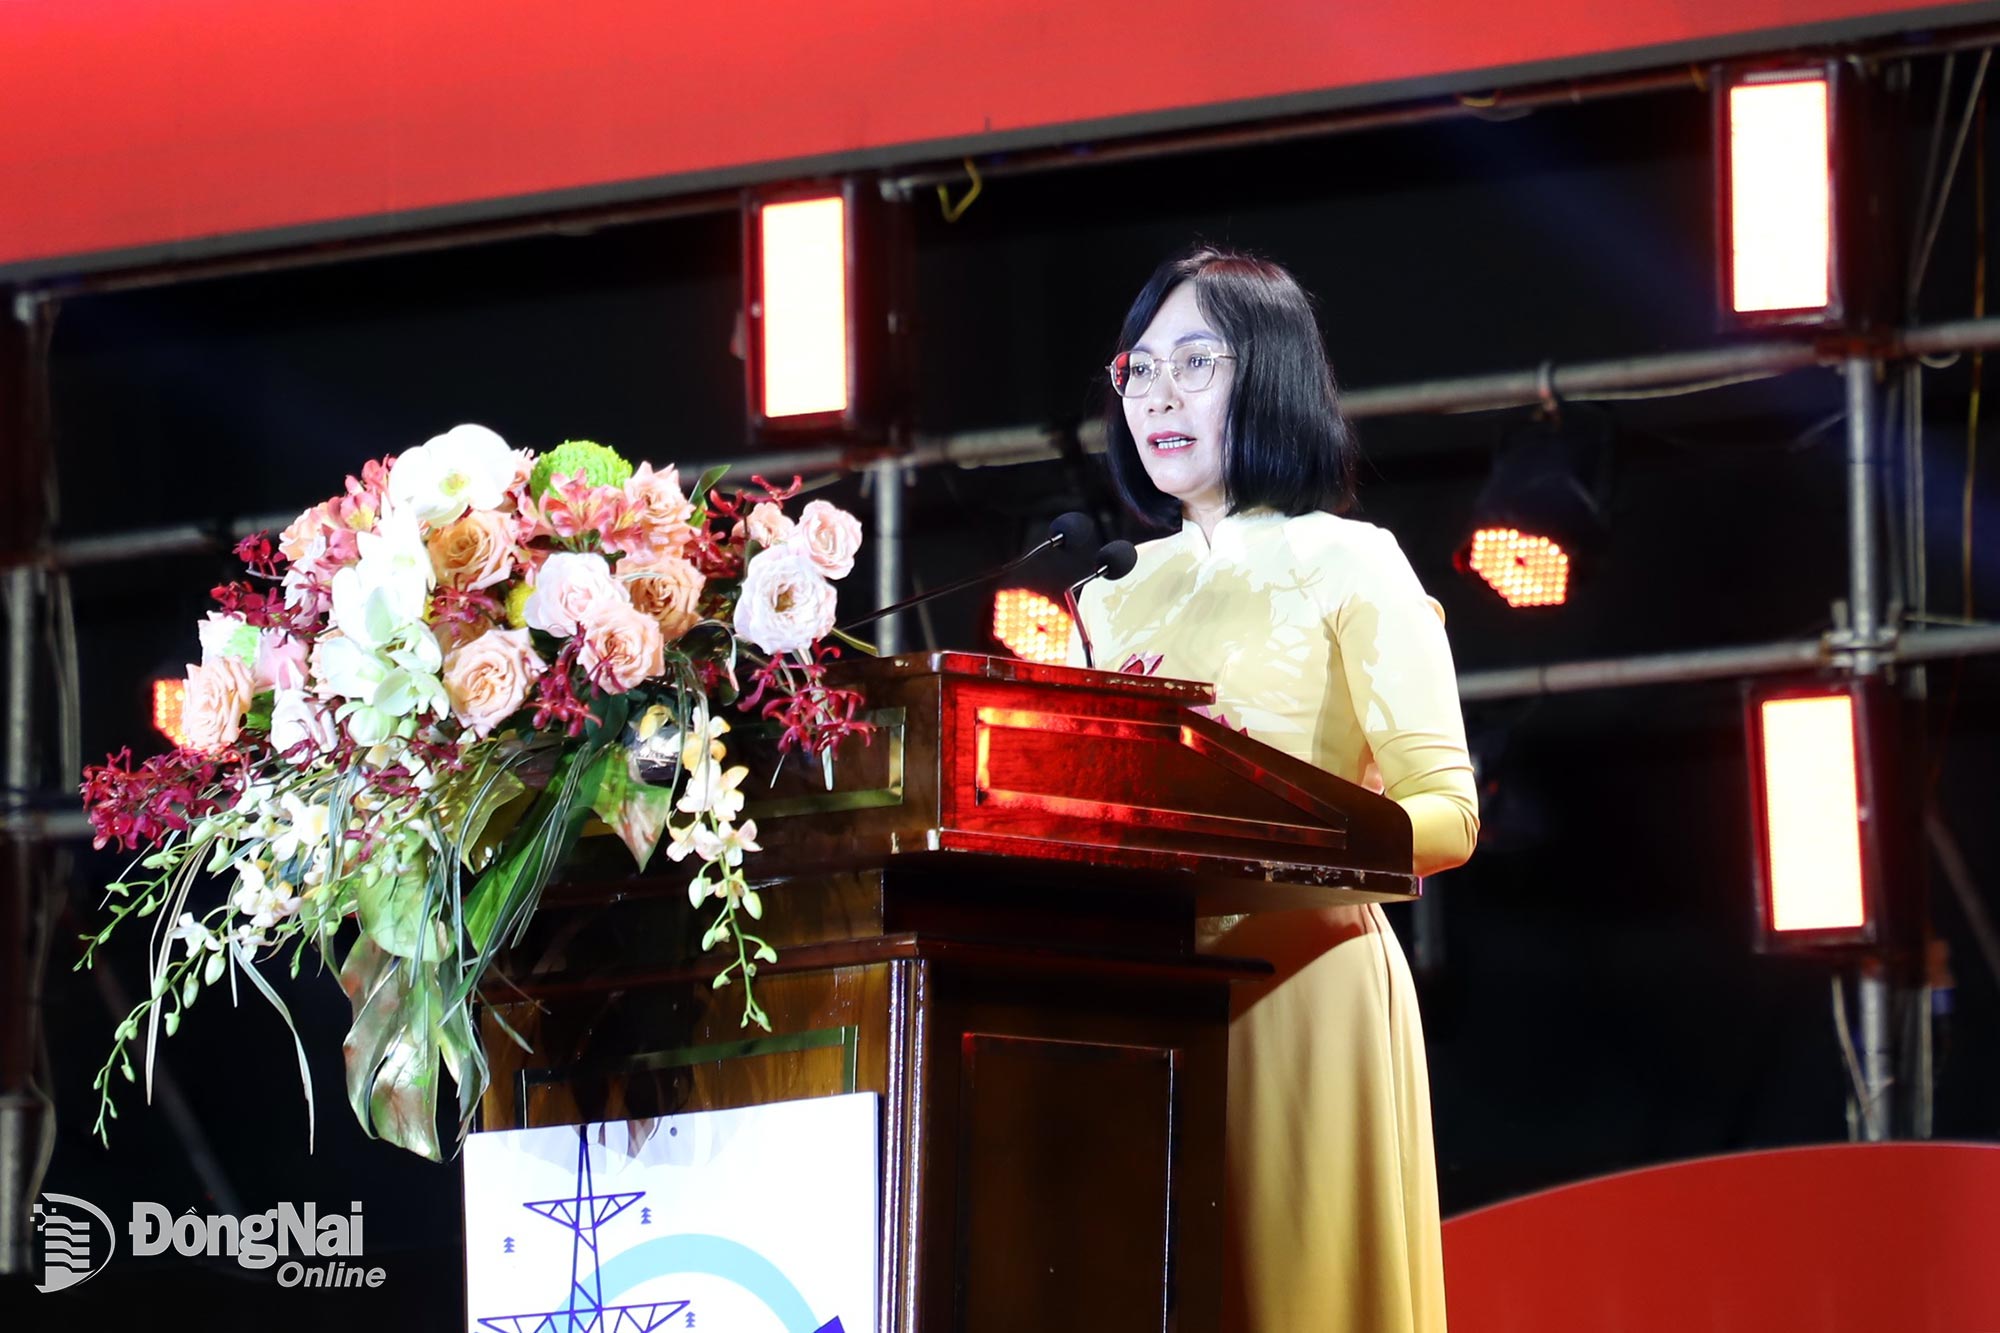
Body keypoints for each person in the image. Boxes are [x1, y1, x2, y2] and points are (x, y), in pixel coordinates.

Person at [1069, 246, 1478, 1333]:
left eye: (1192, 363)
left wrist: (1268, 856)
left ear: (1270, 375)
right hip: (1146, 1001)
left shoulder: (1350, 560)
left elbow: (1445, 811)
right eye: (1139, 369)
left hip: (1303, 984)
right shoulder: (1109, 593)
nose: (1156, 395)